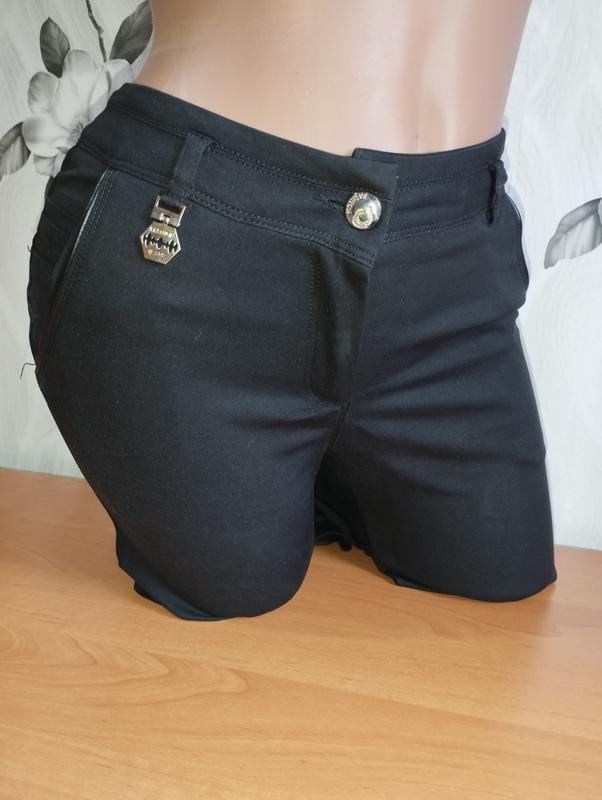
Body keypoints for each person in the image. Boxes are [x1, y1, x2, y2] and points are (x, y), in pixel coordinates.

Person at [27, 0, 557, 621]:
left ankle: (324, 469)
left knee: (502, 573)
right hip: (195, 239)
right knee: (232, 591)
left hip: (453, 251)